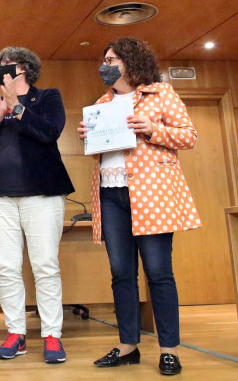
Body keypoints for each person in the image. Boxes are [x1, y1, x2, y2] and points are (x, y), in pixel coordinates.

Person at [77, 37, 201, 376]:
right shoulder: (101, 102)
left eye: (112, 58)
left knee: (159, 274)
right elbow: (102, 150)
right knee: (121, 274)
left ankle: (169, 350)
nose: (106, 63)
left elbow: (189, 136)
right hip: (111, 193)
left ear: (131, 62)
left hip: (152, 195)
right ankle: (128, 345)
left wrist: (153, 129)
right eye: (104, 59)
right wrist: (88, 136)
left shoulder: (161, 93)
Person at [0, 47, 74, 364]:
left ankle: (52, 335)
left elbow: (50, 132)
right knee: (7, 267)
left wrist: (18, 108)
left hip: (42, 195)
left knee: (45, 266)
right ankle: (16, 333)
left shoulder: (48, 98)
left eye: (6, 64)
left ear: (25, 68)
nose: (0, 68)